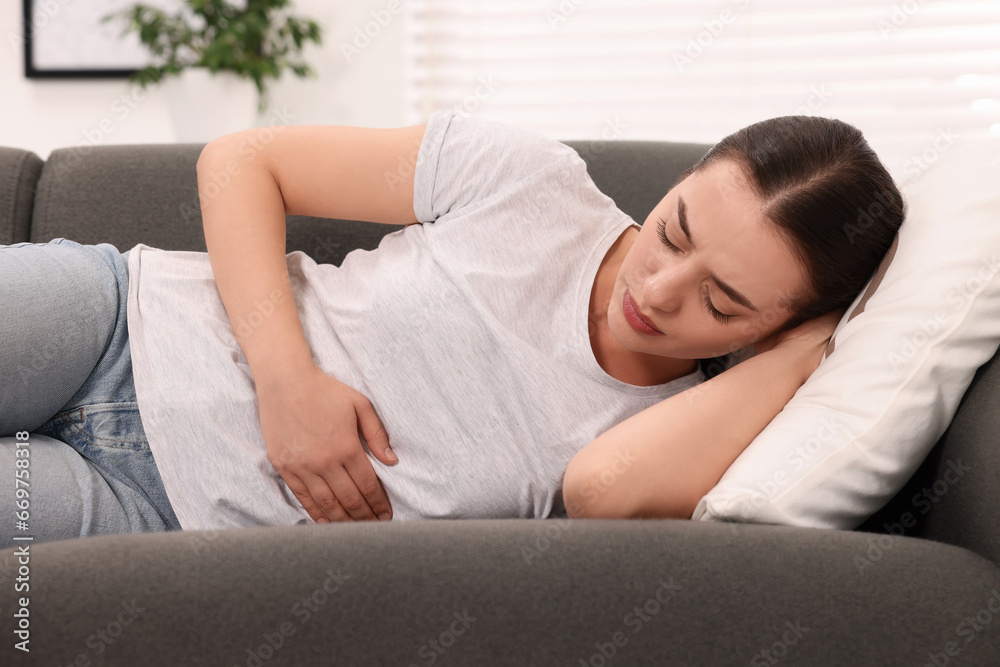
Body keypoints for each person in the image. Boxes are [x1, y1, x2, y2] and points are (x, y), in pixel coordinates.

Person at [0, 110, 903, 544]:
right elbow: (243, 160)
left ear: (779, 327)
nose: (660, 289)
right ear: (683, 176)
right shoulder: (532, 182)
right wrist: (285, 381)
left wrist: (804, 352)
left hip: (162, 512)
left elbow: (595, 490)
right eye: (674, 229)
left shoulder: (675, 436)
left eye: (724, 303)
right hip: (117, 319)